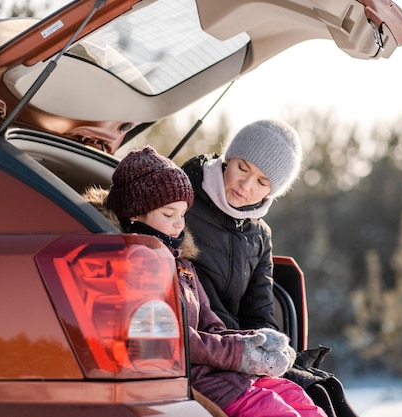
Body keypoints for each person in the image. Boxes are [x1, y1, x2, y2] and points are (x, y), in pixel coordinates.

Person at [83, 145, 327, 417]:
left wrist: (254, 340)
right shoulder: (134, 266)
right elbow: (168, 340)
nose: (178, 224)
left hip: (222, 372)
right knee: (272, 410)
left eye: (182, 214)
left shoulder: (183, 266)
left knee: (297, 396)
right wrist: (237, 353)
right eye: (168, 214)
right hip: (194, 380)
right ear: (134, 214)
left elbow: (211, 324)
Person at [181, 120, 360, 417]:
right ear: (228, 159)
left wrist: (271, 351)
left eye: (263, 182)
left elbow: (260, 311)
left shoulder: (259, 235)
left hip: (241, 351)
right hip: (207, 348)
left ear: (271, 192)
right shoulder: (181, 204)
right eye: (242, 168)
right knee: (311, 392)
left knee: (326, 389)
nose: (246, 186)